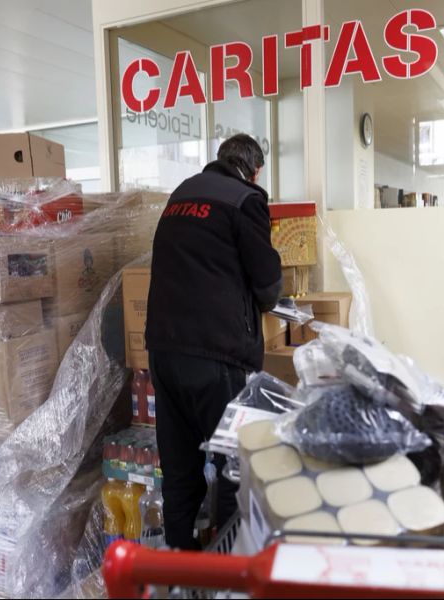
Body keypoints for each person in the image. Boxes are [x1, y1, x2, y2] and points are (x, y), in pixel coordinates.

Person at [146, 134, 282, 550]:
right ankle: (224, 576)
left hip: (164, 354)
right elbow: (269, 287)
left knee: (180, 471)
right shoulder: (246, 200)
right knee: (232, 469)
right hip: (217, 356)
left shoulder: (179, 196)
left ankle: (177, 571)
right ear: (255, 170)